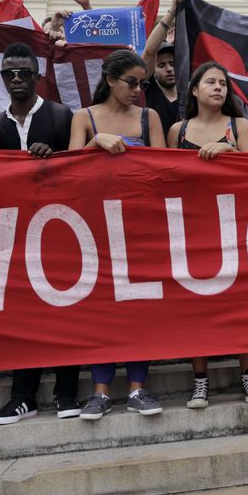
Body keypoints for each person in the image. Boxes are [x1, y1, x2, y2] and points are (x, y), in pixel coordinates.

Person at [0, 43, 80, 424]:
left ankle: (66, 392)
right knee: (22, 318)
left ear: (38, 76)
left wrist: (54, 159)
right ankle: (23, 396)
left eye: (24, 72)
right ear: (2, 77)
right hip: (14, 238)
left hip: (61, 232)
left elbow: (79, 167)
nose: (17, 79)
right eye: (9, 73)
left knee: (66, 313)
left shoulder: (61, 116)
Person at [69, 49, 167, 420]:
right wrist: (95, 144)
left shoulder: (149, 116)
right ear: (110, 79)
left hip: (141, 226)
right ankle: (101, 390)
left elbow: (164, 169)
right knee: (100, 309)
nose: (138, 90)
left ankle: (139, 388)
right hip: (95, 228)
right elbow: (69, 171)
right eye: (131, 82)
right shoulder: (84, 117)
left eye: (143, 84)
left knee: (139, 307)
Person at [166, 61, 248, 409]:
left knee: (241, 304)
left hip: (233, 227)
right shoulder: (177, 130)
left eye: (222, 83)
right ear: (194, 90)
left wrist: (230, 151)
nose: (218, 87)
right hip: (192, 230)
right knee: (198, 306)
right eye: (210, 82)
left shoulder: (239, 126)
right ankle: (200, 381)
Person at [142, 0, 184, 138]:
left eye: (172, 63)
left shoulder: (190, 93)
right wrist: (172, 11)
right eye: (161, 65)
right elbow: (149, 51)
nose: (169, 69)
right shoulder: (149, 89)